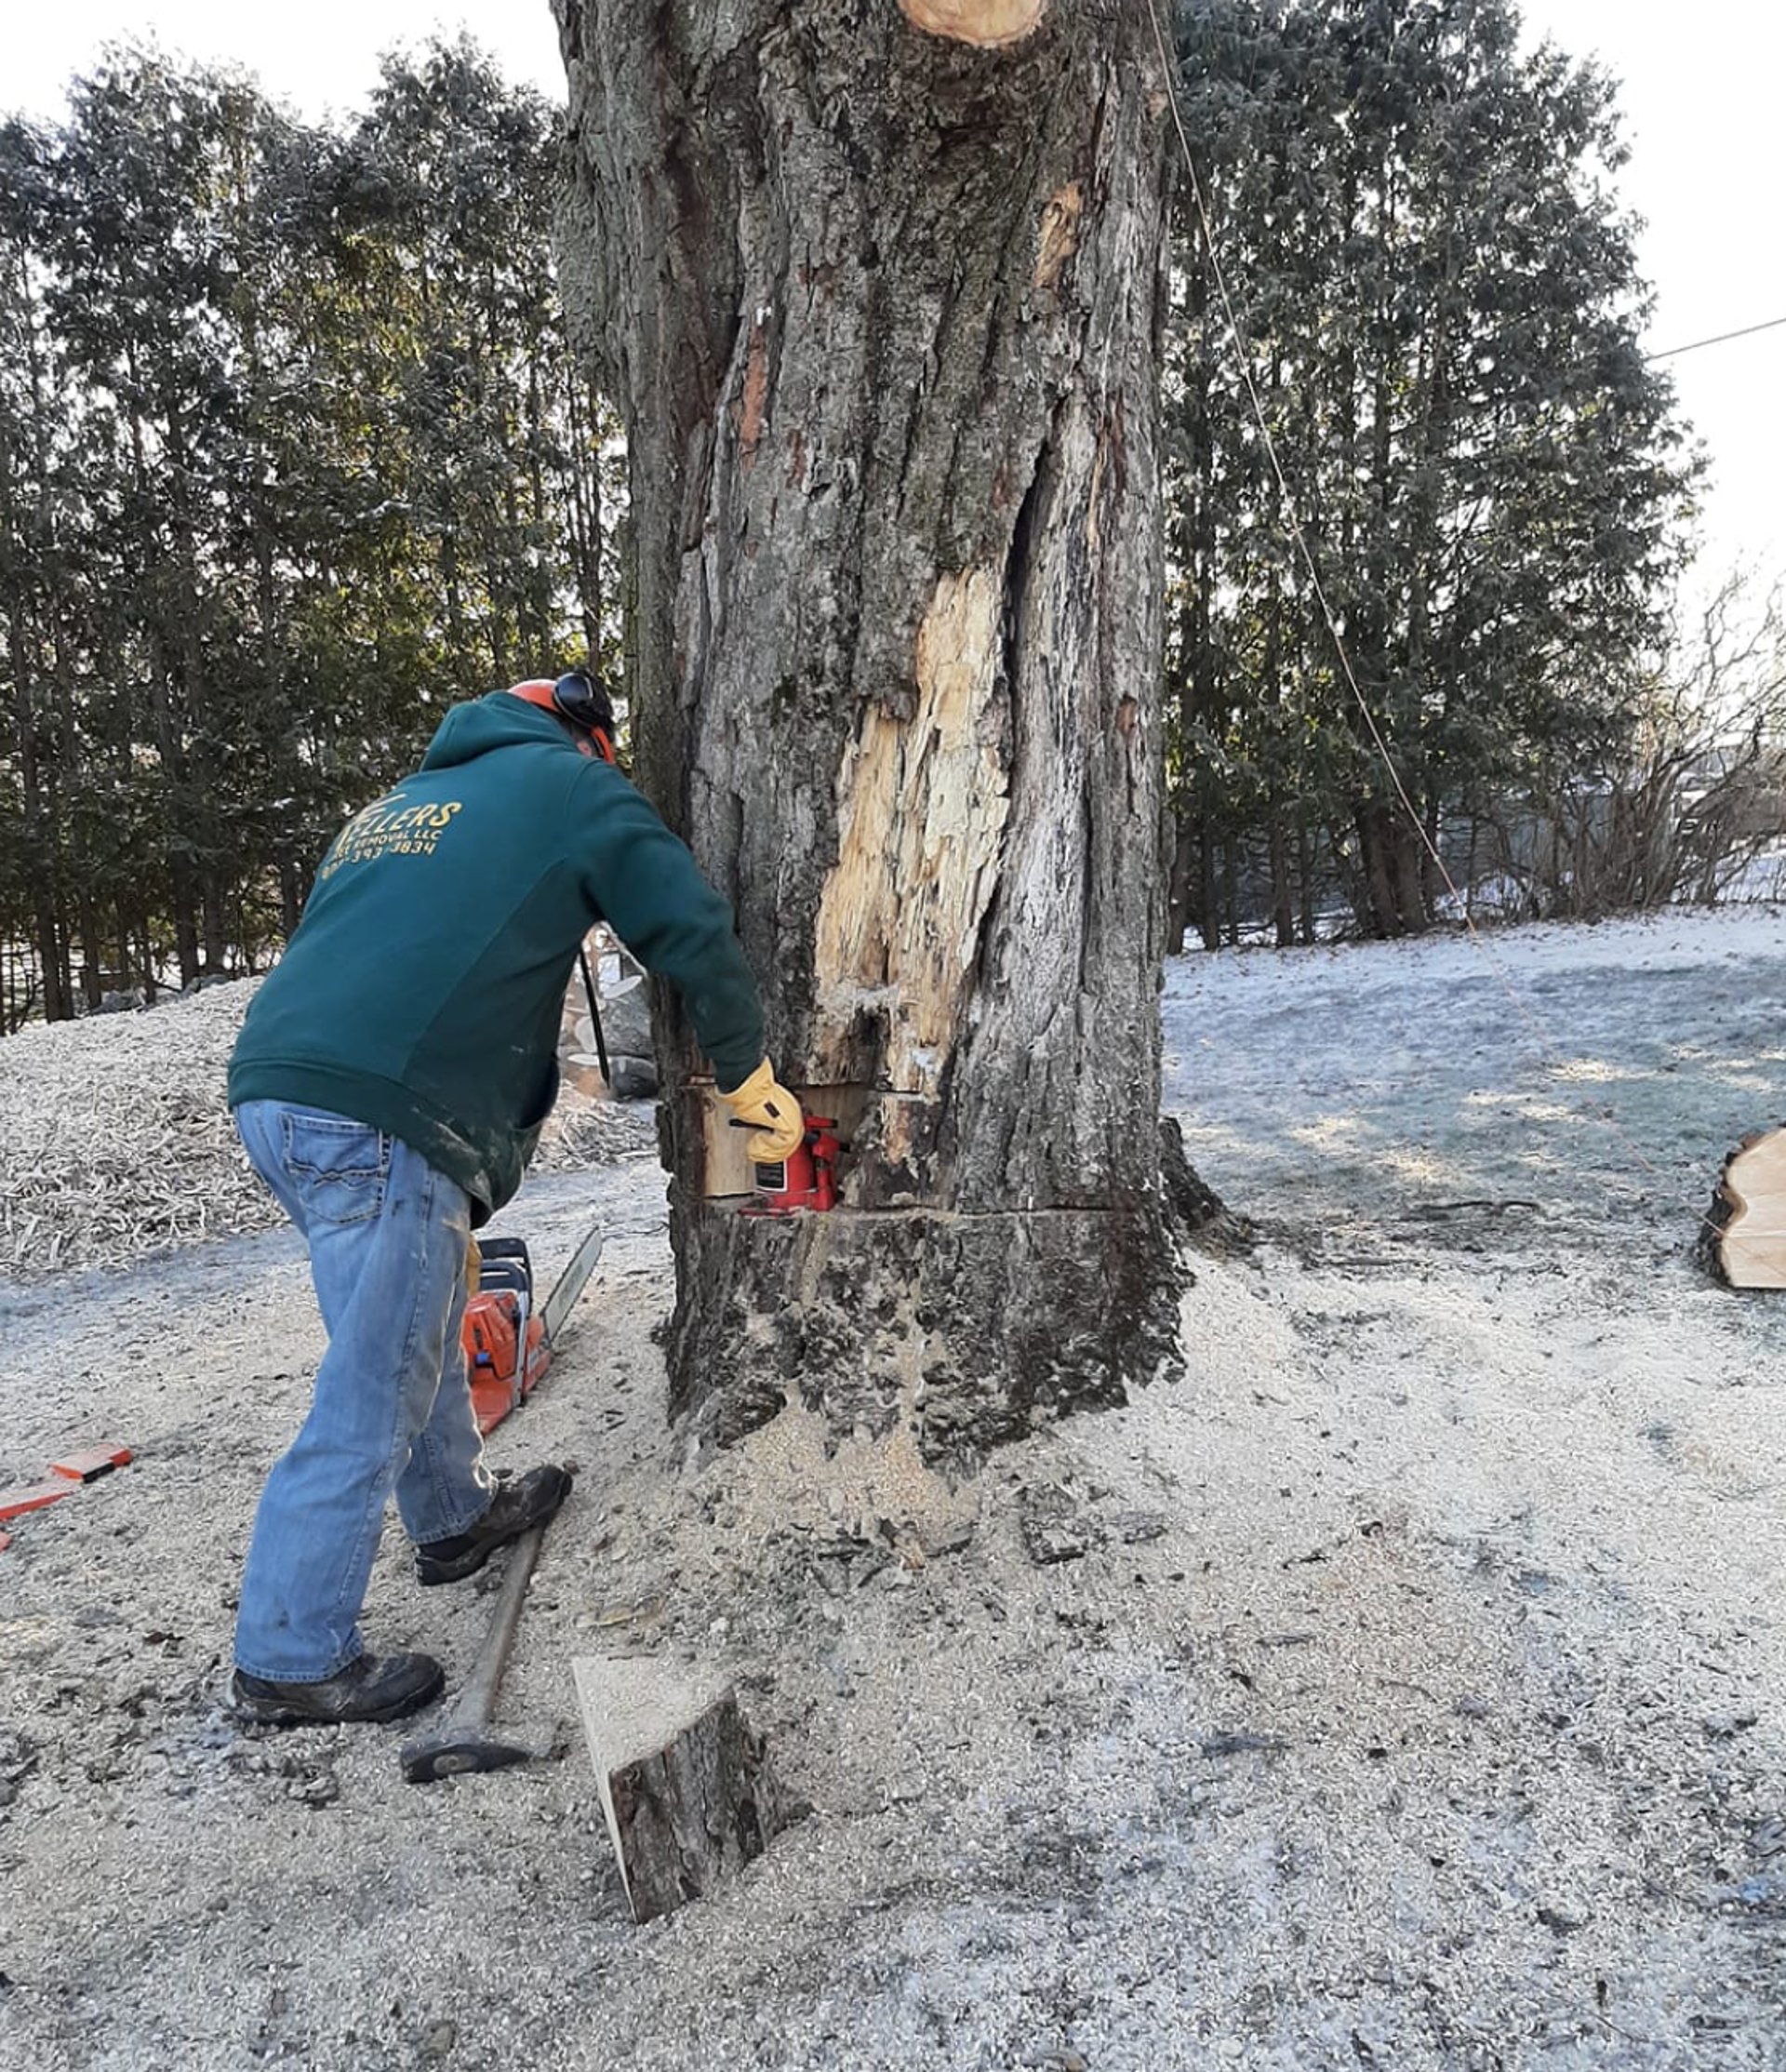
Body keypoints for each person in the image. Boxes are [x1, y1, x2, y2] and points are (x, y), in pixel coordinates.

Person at [225, 670, 803, 1726]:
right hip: (381, 1111)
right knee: (376, 1377)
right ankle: (289, 1652)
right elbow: (686, 923)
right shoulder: (570, 785)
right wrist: (744, 1067)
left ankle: (450, 1521)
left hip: (280, 1092)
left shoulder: (396, 808)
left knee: (417, 1321)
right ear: (585, 738)